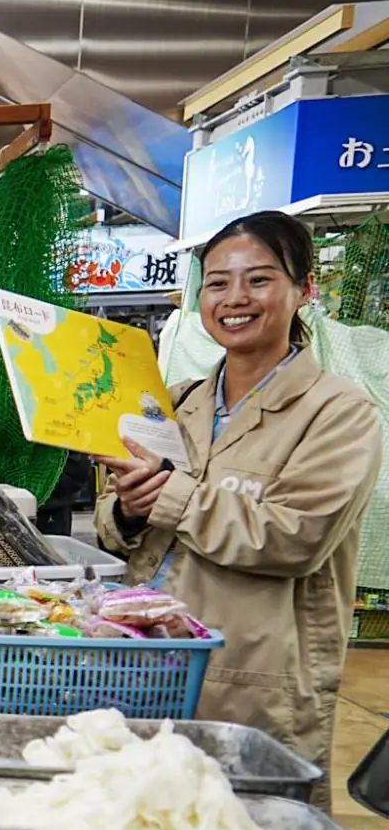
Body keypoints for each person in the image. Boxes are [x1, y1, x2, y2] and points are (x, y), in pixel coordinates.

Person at [96, 210, 383, 790]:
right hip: (143, 662)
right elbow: (114, 521)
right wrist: (127, 508)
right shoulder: (172, 402)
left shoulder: (339, 412)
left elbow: (293, 538)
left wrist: (169, 493)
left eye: (259, 279)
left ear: (304, 289)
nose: (235, 298)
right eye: (218, 282)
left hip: (252, 681)